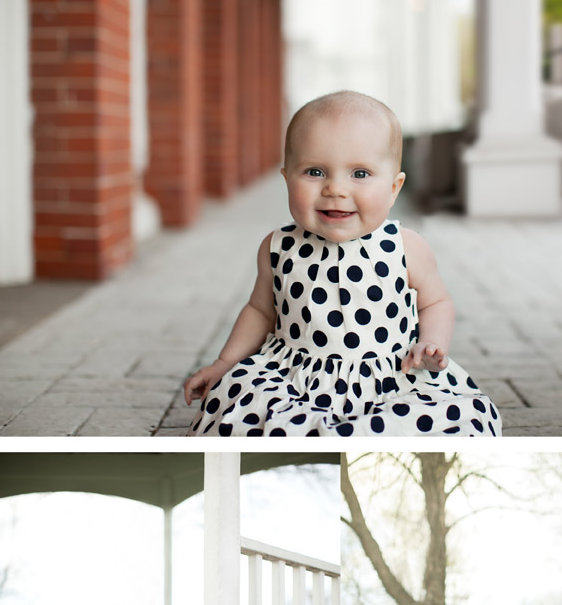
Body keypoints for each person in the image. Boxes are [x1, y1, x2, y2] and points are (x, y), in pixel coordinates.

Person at [184, 90, 502, 437]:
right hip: (294, 377)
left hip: (391, 378)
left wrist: (431, 343)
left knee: (454, 420)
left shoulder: (405, 247)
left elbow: (437, 301)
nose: (335, 188)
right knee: (245, 409)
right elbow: (260, 311)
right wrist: (226, 364)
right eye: (315, 171)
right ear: (287, 178)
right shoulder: (278, 247)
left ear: (394, 188)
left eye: (360, 174)